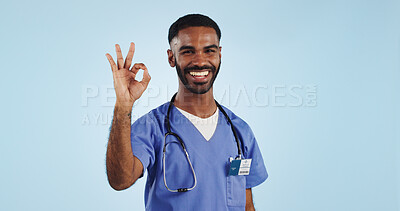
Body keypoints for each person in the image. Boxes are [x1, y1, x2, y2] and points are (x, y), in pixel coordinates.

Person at [105, 14, 268, 211]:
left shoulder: (240, 131)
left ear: (219, 54)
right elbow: (120, 181)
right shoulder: (152, 127)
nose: (200, 61)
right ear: (171, 57)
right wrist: (123, 106)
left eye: (209, 51)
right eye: (188, 51)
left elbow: (247, 205)